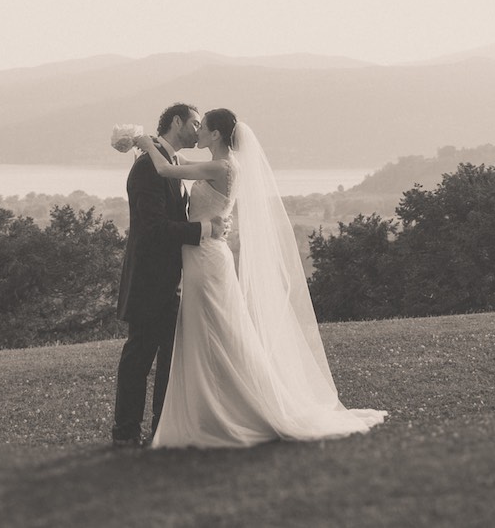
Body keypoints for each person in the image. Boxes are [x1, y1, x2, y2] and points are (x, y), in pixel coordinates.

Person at [132, 107, 387, 447]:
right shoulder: (222, 165)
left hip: (206, 258)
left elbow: (165, 169)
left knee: (216, 330)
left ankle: (228, 408)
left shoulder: (222, 167)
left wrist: (145, 144)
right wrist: (156, 147)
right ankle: (206, 407)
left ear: (215, 134)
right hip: (202, 255)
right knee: (208, 332)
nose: (198, 131)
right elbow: (180, 171)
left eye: (202, 126)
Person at [111, 103, 225, 449]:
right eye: (194, 123)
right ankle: (126, 432)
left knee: (169, 361)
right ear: (177, 122)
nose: (197, 130)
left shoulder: (169, 162)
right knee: (139, 357)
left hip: (173, 280)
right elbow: (153, 229)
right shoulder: (148, 167)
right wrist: (205, 229)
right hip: (150, 280)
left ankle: (162, 429)